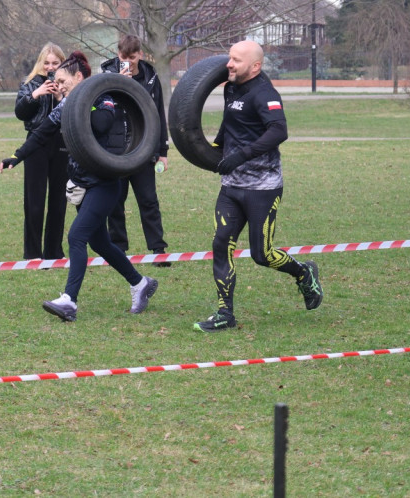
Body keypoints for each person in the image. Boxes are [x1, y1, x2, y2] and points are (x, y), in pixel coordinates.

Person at [0, 51, 159, 322]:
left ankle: (69, 301)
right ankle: (140, 282)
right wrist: (17, 156)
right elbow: (42, 133)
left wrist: (83, 103)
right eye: (57, 82)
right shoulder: (65, 105)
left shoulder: (103, 98)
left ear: (78, 77)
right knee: (100, 242)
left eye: (63, 81)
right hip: (82, 182)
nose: (59, 86)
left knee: (76, 236)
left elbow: (102, 124)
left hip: (105, 183)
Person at [194, 40, 322, 333]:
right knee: (221, 244)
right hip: (231, 186)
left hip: (263, 186)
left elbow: (279, 131)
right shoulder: (231, 88)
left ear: (255, 66)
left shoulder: (265, 93)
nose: (229, 64)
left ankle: (303, 273)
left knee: (261, 254)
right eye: (230, 57)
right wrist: (213, 149)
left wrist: (240, 155)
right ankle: (225, 313)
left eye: (236, 60)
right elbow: (229, 123)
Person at [100, 35, 170, 267]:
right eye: (124, 57)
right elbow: (98, 107)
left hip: (144, 149)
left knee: (149, 200)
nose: (128, 62)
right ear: (117, 54)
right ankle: (118, 249)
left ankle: (158, 249)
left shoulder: (151, 77)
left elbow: (158, 113)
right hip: (115, 151)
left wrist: (162, 151)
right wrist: (117, 83)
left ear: (140, 54)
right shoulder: (106, 75)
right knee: (115, 202)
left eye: (132, 57)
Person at [13, 43, 68, 259]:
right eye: (46, 63)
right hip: (36, 143)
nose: (50, 67)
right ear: (40, 63)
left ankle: (54, 251)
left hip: (61, 142)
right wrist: (36, 94)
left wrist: (60, 98)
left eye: (55, 63)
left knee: (58, 201)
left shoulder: (67, 85)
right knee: (34, 202)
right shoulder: (30, 83)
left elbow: (74, 113)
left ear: (62, 64)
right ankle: (33, 253)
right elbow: (20, 113)